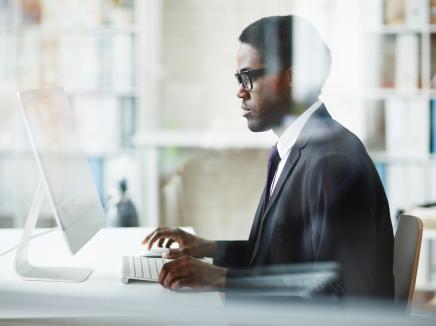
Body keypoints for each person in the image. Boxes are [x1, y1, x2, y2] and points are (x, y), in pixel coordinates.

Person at [143, 15, 395, 299]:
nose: (240, 91)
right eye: (238, 78)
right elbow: (279, 254)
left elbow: (343, 292)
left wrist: (223, 279)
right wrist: (209, 248)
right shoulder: (291, 149)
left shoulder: (332, 163)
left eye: (248, 77)